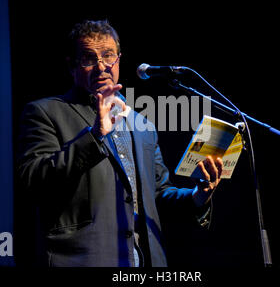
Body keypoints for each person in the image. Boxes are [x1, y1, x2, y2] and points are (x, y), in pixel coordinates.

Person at [16, 20, 223, 267]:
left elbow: (157, 195)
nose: (101, 66)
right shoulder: (45, 112)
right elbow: (32, 179)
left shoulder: (142, 125)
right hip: (83, 259)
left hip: (143, 260)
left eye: (108, 56)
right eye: (89, 59)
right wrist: (94, 135)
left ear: (119, 59)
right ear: (72, 66)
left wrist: (199, 194)